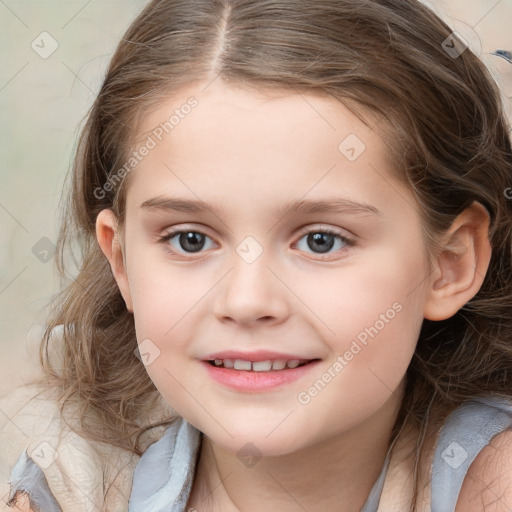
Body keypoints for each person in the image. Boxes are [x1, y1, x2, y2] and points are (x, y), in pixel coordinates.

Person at [2, 0, 512, 510]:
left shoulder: (493, 483)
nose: (247, 301)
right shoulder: (69, 490)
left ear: (449, 263)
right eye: (190, 240)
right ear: (122, 264)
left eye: (321, 240)